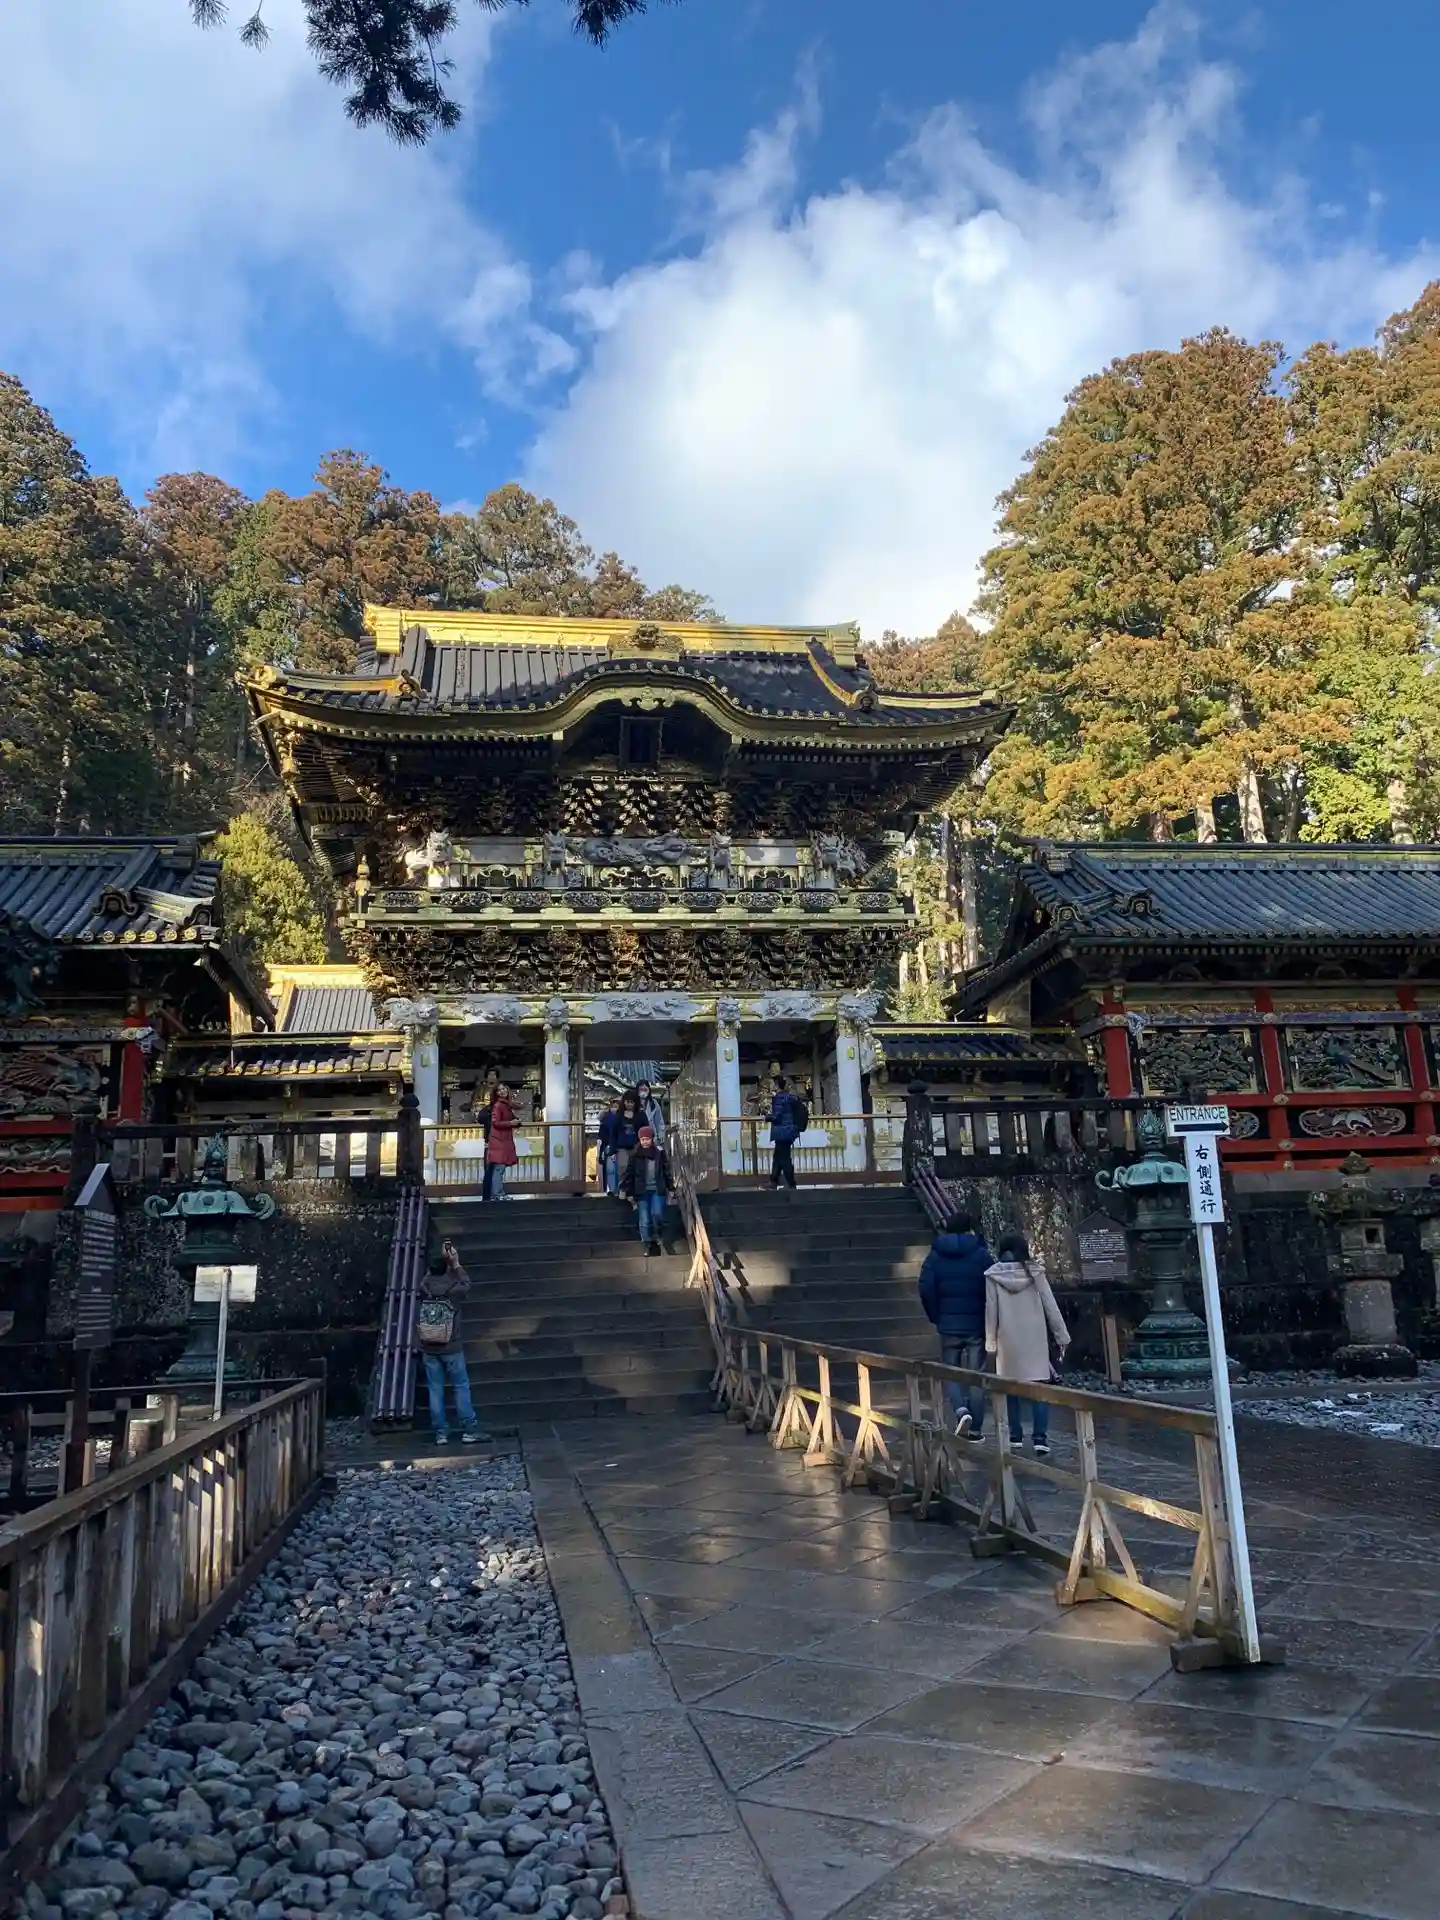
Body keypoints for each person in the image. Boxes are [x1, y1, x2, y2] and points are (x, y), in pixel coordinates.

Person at [984, 1229, 1070, 1457]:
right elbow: (1050, 1304)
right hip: (1034, 1337)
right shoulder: (1035, 1272)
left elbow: (991, 1310)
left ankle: (1015, 1436)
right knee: (1039, 1388)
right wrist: (1061, 1336)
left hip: (1007, 1339)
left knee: (1011, 1389)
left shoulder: (993, 1275)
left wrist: (990, 1342)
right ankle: (1040, 1439)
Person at [917, 1209, 992, 1438]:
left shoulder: (935, 1256)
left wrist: (936, 1315)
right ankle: (976, 1429)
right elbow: (991, 1288)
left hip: (948, 1324)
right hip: (976, 1323)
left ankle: (961, 1410)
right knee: (977, 1375)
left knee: (950, 1371)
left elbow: (925, 1288)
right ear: (969, 1229)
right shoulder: (981, 1254)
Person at [416, 1240, 490, 1446]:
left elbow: (427, 1278)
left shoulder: (425, 1287)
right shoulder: (454, 1288)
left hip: (429, 1345)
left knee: (435, 1389)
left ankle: (440, 1432)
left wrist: (438, 1265)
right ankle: (469, 1429)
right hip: (451, 1345)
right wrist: (455, 1263)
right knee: (460, 1386)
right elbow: (467, 1283)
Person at [621, 1124, 671, 1252]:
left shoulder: (659, 1153)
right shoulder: (635, 1155)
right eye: (642, 1139)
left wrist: (671, 1187)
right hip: (641, 1191)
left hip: (657, 1189)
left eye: (647, 1139)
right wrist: (627, 1190)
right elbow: (629, 1173)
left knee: (657, 1214)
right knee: (644, 1220)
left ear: (651, 1139)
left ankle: (658, 1234)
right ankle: (647, 1243)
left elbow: (666, 1170)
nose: (645, 1142)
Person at [768, 1074, 805, 1189]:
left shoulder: (779, 1098)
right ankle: (773, 1181)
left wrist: (766, 1117)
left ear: (776, 1085)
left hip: (782, 1132)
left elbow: (777, 1117)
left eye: (772, 1084)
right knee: (778, 1158)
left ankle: (791, 1184)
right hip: (788, 1131)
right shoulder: (789, 1097)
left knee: (784, 1159)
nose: (771, 1086)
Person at [483, 1082, 518, 1201]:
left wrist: (516, 1122)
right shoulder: (498, 1105)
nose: (502, 1091)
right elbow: (495, 1122)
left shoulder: (506, 1105)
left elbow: (511, 1119)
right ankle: (498, 1194)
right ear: (496, 1093)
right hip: (499, 1140)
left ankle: (498, 1193)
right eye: (499, 1090)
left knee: (499, 1168)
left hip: (503, 1139)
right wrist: (511, 1123)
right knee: (499, 1168)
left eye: (504, 1089)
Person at [611, 1089, 642, 1201]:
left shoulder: (640, 1115)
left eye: (632, 1102)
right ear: (624, 1102)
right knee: (623, 1169)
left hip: (637, 1146)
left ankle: (634, 1192)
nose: (629, 1104)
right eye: (627, 1102)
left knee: (636, 1170)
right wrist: (613, 1150)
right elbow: (613, 1133)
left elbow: (645, 1130)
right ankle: (622, 1190)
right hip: (622, 1148)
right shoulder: (618, 1116)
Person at [597, 1095, 621, 1193]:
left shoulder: (622, 1118)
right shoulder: (605, 1118)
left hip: (619, 1147)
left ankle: (618, 1189)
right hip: (608, 1146)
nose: (615, 1108)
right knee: (609, 1169)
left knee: (618, 1168)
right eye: (613, 1106)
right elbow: (601, 1134)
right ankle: (609, 1189)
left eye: (617, 1106)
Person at [634, 1078, 666, 1145]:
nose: (643, 1092)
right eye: (641, 1089)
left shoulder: (653, 1103)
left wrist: (660, 1134)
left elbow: (659, 1121)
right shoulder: (634, 1103)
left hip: (652, 1136)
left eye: (645, 1090)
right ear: (637, 1090)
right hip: (636, 1138)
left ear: (649, 1090)